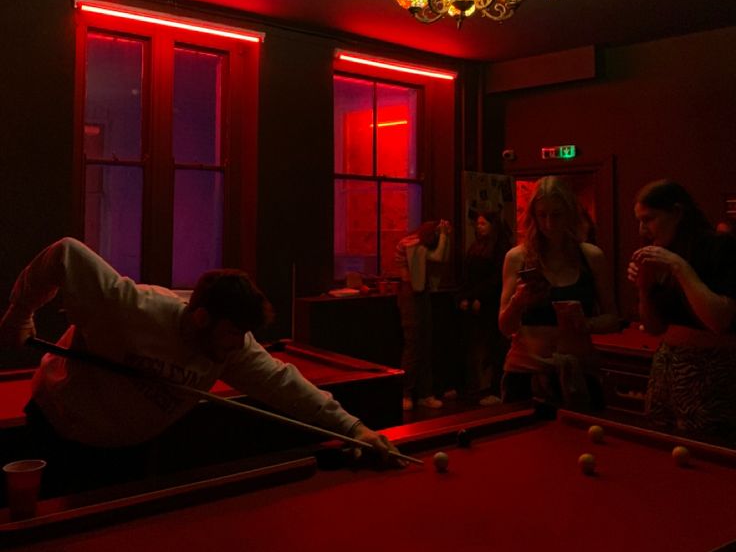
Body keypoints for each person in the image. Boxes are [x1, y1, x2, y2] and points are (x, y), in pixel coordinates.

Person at [0, 238, 399, 493]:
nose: (237, 346)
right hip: (56, 431)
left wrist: (355, 429)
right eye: (232, 333)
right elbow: (63, 254)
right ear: (202, 318)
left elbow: (286, 385)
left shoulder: (232, 347)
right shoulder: (129, 307)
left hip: (127, 451)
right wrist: (19, 316)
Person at [628, 180, 736, 437]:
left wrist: (680, 268)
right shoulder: (663, 253)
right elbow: (654, 328)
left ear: (677, 212)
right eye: (640, 221)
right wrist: (643, 288)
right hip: (667, 364)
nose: (643, 229)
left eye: (649, 219)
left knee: (708, 449)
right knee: (661, 445)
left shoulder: (720, 247)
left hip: (713, 371)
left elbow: (719, 321)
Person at [499, 176, 618, 408]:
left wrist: (586, 324)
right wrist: (518, 302)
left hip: (579, 371)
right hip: (526, 373)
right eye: (542, 215)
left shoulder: (591, 257)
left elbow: (613, 318)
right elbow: (505, 327)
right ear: (533, 216)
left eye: (556, 215)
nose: (549, 223)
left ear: (570, 214)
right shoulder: (517, 257)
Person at [393, 219, 451, 411]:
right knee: (414, 344)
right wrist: (444, 235)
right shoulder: (413, 244)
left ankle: (424, 393)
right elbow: (438, 257)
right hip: (412, 294)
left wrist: (444, 235)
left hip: (419, 292)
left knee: (424, 343)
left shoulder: (414, 243)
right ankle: (406, 393)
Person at [456, 209, 512, 404]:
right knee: (472, 345)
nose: (479, 227)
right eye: (478, 224)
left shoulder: (500, 248)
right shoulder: (476, 246)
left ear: (493, 225)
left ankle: (495, 389)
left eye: (483, 224)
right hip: (475, 302)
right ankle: (473, 386)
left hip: (492, 303)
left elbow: (497, 278)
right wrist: (464, 296)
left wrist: (476, 296)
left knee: (494, 345)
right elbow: (467, 274)